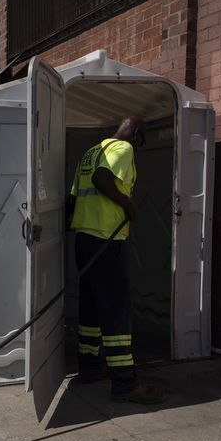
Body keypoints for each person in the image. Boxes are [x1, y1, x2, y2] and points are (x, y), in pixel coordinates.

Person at [68, 116, 164, 404]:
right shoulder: (123, 149)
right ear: (135, 133)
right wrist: (130, 206)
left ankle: (89, 369)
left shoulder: (91, 152)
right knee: (117, 311)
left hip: (84, 239)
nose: (140, 145)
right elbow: (101, 179)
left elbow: (72, 197)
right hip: (105, 241)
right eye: (141, 139)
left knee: (91, 310)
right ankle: (125, 383)